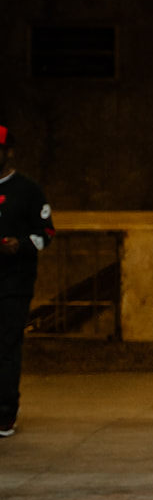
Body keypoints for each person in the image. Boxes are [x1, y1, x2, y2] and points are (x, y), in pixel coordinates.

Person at [0, 126, 55, 438]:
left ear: (9, 152)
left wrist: (20, 244)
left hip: (14, 283)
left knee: (6, 346)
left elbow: (46, 233)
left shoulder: (28, 191)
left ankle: (5, 413)